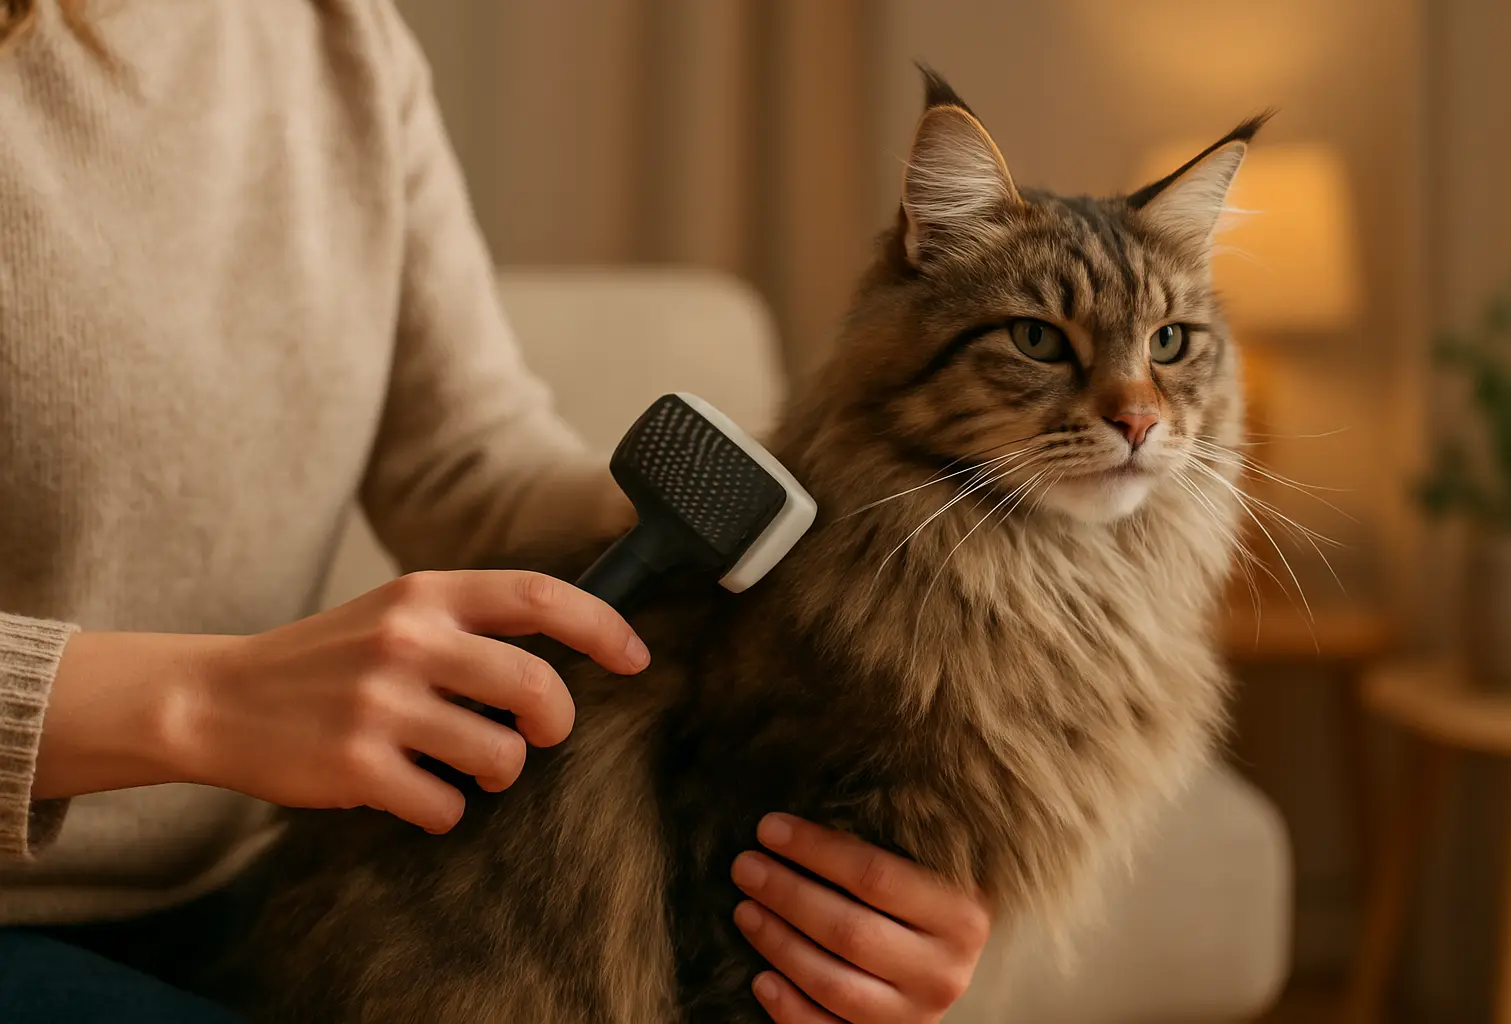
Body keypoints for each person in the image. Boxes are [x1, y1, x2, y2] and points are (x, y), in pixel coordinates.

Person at [0, 2, 992, 1022]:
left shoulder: (330, 35)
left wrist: (745, 545)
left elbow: (466, 468)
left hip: (229, 899)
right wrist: (200, 701)